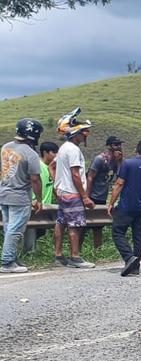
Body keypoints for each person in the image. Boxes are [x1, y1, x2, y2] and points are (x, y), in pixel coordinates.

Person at [107, 141, 141, 277]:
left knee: (118, 232)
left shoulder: (128, 164)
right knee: (138, 237)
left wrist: (111, 203)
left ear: (136, 150)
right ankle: (135, 267)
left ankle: (129, 257)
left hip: (126, 206)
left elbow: (119, 184)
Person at [1, 119, 44, 273]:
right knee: (15, 230)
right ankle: (7, 262)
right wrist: (38, 200)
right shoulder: (30, 153)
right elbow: (35, 179)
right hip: (19, 197)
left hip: (4, 194)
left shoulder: (5, 147)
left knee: (8, 229)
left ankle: (11, 258)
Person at [54, 108, 95, 268]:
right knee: (75, 225)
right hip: (72, 193)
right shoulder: (73, 149)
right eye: (84, 132)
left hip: (63, 191)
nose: (85, 135)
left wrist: (57, 184)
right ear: (75, 133)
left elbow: (52, 166)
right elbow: (75, 174)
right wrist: (84, 196)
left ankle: (58, 255)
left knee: (61, 223)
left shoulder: (63, 147)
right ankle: (75, 257)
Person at [86, 136, 123, 249]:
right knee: (83, 226)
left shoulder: (115, 161)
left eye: (119, 144)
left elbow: (120, 177)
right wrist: (87, 197)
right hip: (92, 195)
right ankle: (77, 252)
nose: (119, 147)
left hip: (102, 196)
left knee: (98, 226)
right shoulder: (100, 159)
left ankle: (98, 250)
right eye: (116, 144)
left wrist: (120, 161)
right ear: (109, 146)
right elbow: (90, 177)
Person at [39, 141, 58, 207]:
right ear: (45, 153)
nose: (56, 155)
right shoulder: (37, 166)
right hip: (36, 205)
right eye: (54, 152)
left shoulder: (53, 168)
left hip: (48, 206)